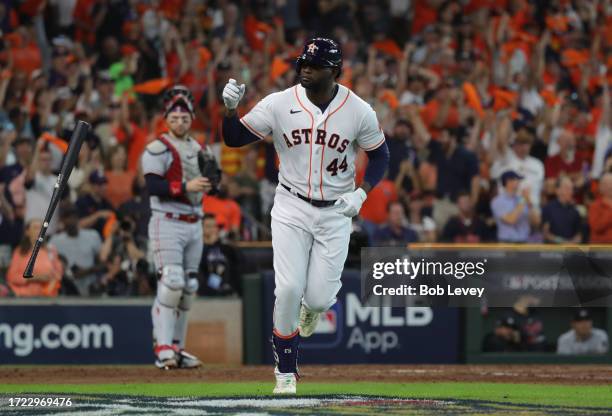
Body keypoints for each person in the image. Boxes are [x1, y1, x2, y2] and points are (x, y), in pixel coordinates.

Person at [222, 37, 389, 394]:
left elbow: (381, 157)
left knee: (317, 299)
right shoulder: (280, 103)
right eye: (303, 63)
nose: (305, 70)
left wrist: (362, 193)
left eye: (313, 66)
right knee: (288, 288)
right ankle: (285, 371)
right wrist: (229, 111)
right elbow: (234, 138)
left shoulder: (358, 110)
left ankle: (310, 310)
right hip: (291, 205)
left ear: (334, 71)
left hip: (336, 212)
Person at [142, 85, 214, 370]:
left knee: (189, 287)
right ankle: (162, 347)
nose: (180, 122)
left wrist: (213, 182)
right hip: (167, 219)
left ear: (192, 118)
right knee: (171, 282)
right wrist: (186, 186)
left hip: (194, 220)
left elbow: (212, 182)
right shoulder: (157, 148)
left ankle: (177, 347)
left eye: (185, 118)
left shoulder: (200, 148)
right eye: (174, 118)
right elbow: (152, 186)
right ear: (166, 119)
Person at [49, 207, 104, 296]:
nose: (71, 221)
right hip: (65, 289)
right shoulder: (55, 241)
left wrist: (88, 270)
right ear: (62, 220)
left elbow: (102, 263)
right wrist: (68, 273)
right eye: (67, 218)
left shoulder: (92, 236)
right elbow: (50, 266)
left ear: (77, 218)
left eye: (73, 217)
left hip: (90, 288)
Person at [6, 218, 63, 297]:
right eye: (35, 228)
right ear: (27, 232)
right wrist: (34, 277)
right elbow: (11, 277)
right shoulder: (19, 251)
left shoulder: (51, 250)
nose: (39, 231)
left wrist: (50, 278)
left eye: (41, 228)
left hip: (47, 297)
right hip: (23, 297)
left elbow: (58, 274)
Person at [491, 170, 540, 243]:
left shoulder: (522, 199)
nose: (519, 183)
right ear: (508, 182)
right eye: (516, 180)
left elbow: (536, 222)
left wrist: (530, 204)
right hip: (507, 242)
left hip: (525, 241)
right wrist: (523, 200)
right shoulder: (497, 201)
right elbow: (511, 220)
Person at [199, 214, 241, 296]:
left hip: (226, 288)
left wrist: (231, 245)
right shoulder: (198, 247)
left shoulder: (223, 247)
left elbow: (239, 261)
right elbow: (200, 265)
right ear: (201, 229)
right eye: (208, 226)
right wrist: (209, 245)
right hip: (206, 289)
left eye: (214, 226)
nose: (213, 230)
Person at [542, 177, 582, 244]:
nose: (570, 191)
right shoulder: (548, 208)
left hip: (570, 251)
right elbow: (545, 233)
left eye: (572, 188)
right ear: (557, 190)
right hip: (552, 251)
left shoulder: (575, 211)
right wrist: (562, 242)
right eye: (567, 188)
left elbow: (579, 234)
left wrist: (572, 243)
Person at [588, 172, 612, 243]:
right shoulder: (594, 206)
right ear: (601, 187)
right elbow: (596, 226)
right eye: (607, 184)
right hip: (601, 249)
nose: (610, 187)